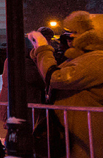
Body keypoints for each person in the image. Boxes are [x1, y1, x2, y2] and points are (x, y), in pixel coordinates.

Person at [29, 11, 103, 158]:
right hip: (75, 132)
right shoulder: (82, 58)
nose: (69, 37)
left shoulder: (97, 59)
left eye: (75, 32)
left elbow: (57, 78)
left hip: (86, 135)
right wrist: (39, 51)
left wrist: (43, 49)